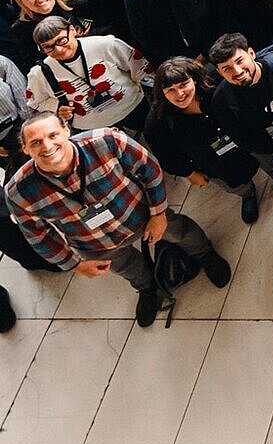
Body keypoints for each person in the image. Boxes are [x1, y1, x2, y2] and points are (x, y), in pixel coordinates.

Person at [4, 114, 230, 327]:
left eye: (52, 135)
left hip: (141, 215)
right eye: (35, 142)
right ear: (25, 148)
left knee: (179, 232)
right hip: (95, 243)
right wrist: (74, 265)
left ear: (66, 130)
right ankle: (146, 287)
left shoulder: (106, 141)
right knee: (125, 266)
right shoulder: (19, 191)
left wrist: (159, 213)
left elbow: (149, 170)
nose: (46, 146)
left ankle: (204, 254)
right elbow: (38, 236)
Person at [145, 57, 263, 225]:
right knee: (235, 183)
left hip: (246, 137)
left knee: (267, 158)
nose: (179, 94)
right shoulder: (157, 122)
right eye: (170, 90)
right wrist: (190, 173)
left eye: (183, 85)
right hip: (215, 162)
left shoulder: (214, 80)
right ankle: (247, 194)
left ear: (193, 78)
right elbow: (168, 157)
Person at [208, 32, 273, 203]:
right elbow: (243, 139)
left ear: (251, 53)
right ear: (220, 73)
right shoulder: (222, 101)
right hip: (268, 146)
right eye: (227, 68)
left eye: (239, 61)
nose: (237, 71)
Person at [25, 14, 149, 136]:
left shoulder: (106, 44)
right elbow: (35, 102)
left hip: (134, 109)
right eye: (48, 47)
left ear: (72, 30)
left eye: (61, 40)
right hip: (92, 128)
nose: (59, 50)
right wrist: (57, 108)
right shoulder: (39, 73)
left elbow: (142, 70)